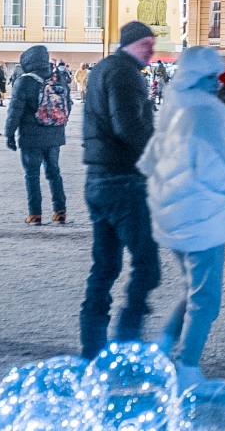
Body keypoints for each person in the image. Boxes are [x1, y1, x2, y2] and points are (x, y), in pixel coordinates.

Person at [137, 47, 225, 389]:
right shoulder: (204, 115)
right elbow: (215, 168)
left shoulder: (175, 108)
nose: (218, 84)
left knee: (193, 289)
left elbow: (149, 161)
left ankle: (165, 345)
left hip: (174, 214)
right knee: (206, 298)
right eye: (213, 77)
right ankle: (187, 368)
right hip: (202, 216)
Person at [78, 21, 160, 358]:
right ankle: (127, 336)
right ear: (131, 44)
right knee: (147, 264)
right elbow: (127, 126)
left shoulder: (103, 69)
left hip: (98, 178)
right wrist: (156, 155)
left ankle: (92, 343)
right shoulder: (125, 74)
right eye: (146, 45)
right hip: (122, 179)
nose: (152, 51)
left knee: (105, 265)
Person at [4, 44, 70, 225]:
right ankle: (60, 211)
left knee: (32, 175)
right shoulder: (58, 79)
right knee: (54, 172)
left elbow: (15, 111)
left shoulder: (24, 82)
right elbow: (68, 105)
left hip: (31, 137)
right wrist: (57, 125)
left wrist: (9, 134)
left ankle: (35, 214)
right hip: (55, 135)